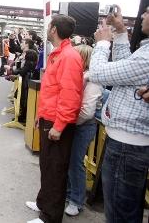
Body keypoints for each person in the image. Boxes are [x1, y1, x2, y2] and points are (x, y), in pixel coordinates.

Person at [89, 5, 149, 223]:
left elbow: (98, 73)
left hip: (127, 147)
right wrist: (121, 31)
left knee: (119, 214)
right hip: (127, 144)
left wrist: (104, 43)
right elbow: (126, 68)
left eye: (148, 11)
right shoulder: (144, 51)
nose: (143, 15)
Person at [25, 14, 84, 223]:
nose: (47, 28)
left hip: (58, 123)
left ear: (54, 30)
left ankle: (50, 217)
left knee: (55, 170)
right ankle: (43, 204)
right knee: (47, 166)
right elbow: (53, 92)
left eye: (49, 26)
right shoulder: (59, 54)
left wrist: (58, 126)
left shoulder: (69, 57)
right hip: (50, 119)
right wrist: (42, 116)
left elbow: (70, 96)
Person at [64, 45, 102, 216]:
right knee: (71, 161)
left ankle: (76, 200)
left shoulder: (92, 79)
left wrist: (68, 121)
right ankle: (70, 194)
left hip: (83, 125)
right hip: (77, 124)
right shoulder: (81, 75)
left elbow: (87, 111)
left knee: (75, 163)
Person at [9, 38, 38, 123]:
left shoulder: (30, 58)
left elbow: (23, 71)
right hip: (25, 81)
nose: (23, 56)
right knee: (21, 98)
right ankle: (22, 117)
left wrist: (13, 71)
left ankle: (22, 118)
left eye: (22, 42)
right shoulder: (30, 57)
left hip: (25, 82)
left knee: (23, 99)